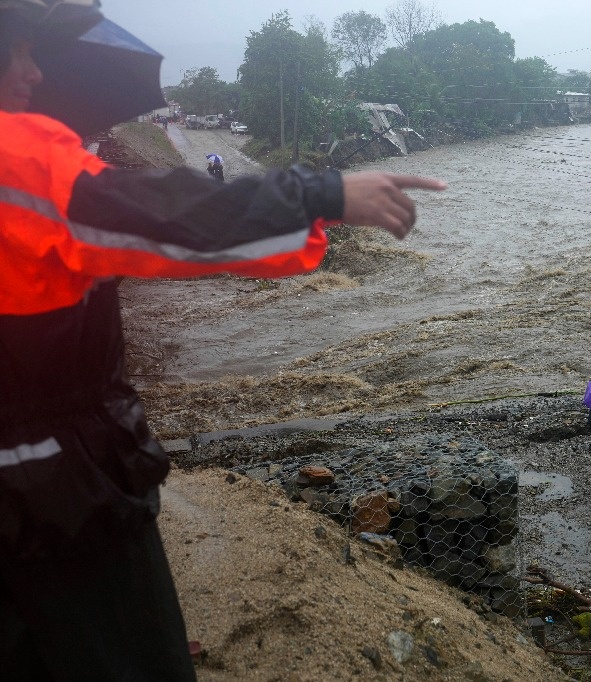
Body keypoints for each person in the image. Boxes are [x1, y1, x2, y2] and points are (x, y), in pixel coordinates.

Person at [0, 2, 445, 679]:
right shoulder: (20, 159)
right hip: (57, 486)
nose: (33, 70)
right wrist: (318, 195)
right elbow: (164, 218)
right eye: (19, 51)